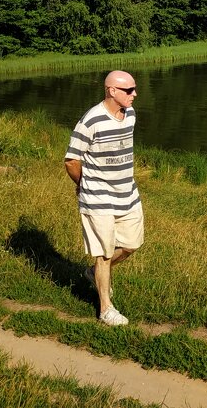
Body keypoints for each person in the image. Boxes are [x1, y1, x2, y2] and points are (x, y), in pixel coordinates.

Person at [64, 70, 143, 326]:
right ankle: (105, 309)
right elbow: (71, 160)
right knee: (105, 254)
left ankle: (93, 273)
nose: (134, 94)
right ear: (112, 91)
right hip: (98, 197)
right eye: (129, 90)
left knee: (132, 245)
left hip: (127, 193)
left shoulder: (130, 114)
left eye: (134, 88)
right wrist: (84, 185)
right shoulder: (91, 121)